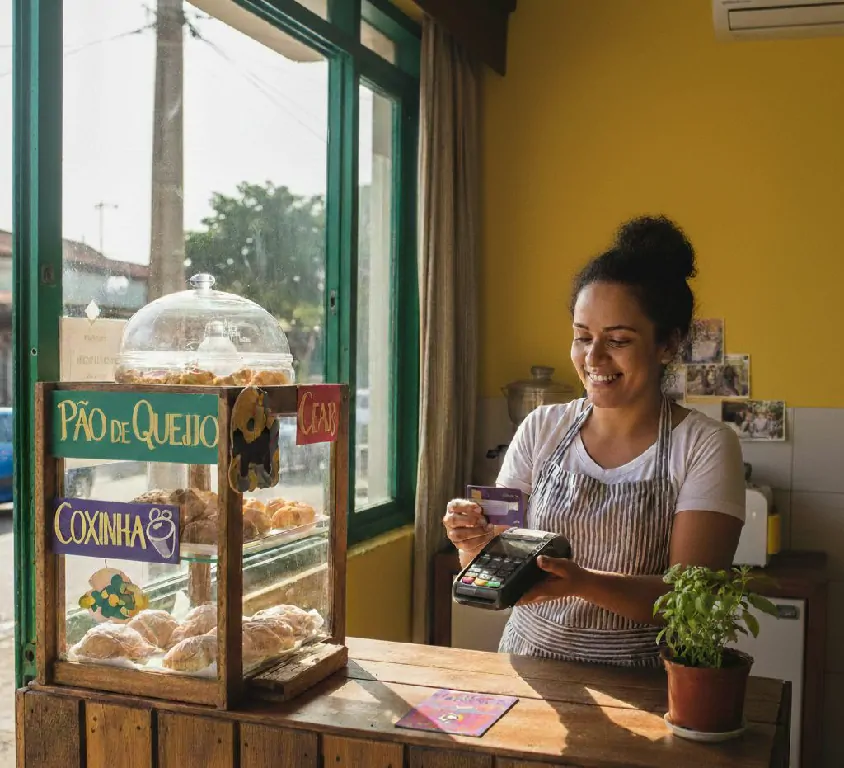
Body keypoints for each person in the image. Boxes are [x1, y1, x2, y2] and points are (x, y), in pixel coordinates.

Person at [443, 215, 746, 667]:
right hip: (527, 666)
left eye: (618, 339)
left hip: (641, 683)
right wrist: (472, 542)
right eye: (582, 337)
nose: (594, 357)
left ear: (668, 344)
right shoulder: (541, 428)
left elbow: (691, 603)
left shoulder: (703, 446)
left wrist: (584, 582)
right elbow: (500, 557)